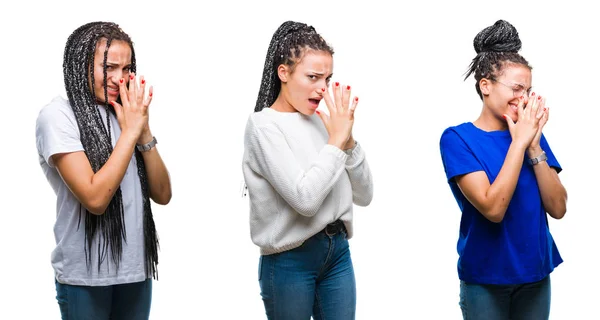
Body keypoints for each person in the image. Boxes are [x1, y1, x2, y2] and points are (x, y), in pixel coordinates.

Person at [35, 21, 172, 319]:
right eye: (109, 67)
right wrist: (130, 132)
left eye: (126, 69)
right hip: (85, 277)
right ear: (80, 63)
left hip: (136, 272)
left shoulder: (126, 115)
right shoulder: (58, 115)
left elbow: (162, 194)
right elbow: (95, 199)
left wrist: (144, 132)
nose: (119, 79)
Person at [242, 20, 373, 319]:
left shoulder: (323, 121)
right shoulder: (264, 126)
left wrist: (349, 141)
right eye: (313, 77)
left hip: (337, 252)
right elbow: (305, 200)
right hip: (290, 261)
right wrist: (336, 142)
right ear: (283, 73)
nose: (322, 89)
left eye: (327, 78)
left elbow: (365, 195)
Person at [439, 20, 567, 320]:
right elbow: (493, 208)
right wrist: (519, 143)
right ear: (486, 86)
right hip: (485, 280)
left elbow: (558, 208)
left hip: (535, 275)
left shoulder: (531, 136)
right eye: (516, 88)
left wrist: (534, 147)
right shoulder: (457, 139)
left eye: (528, 90)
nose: (523, 98)